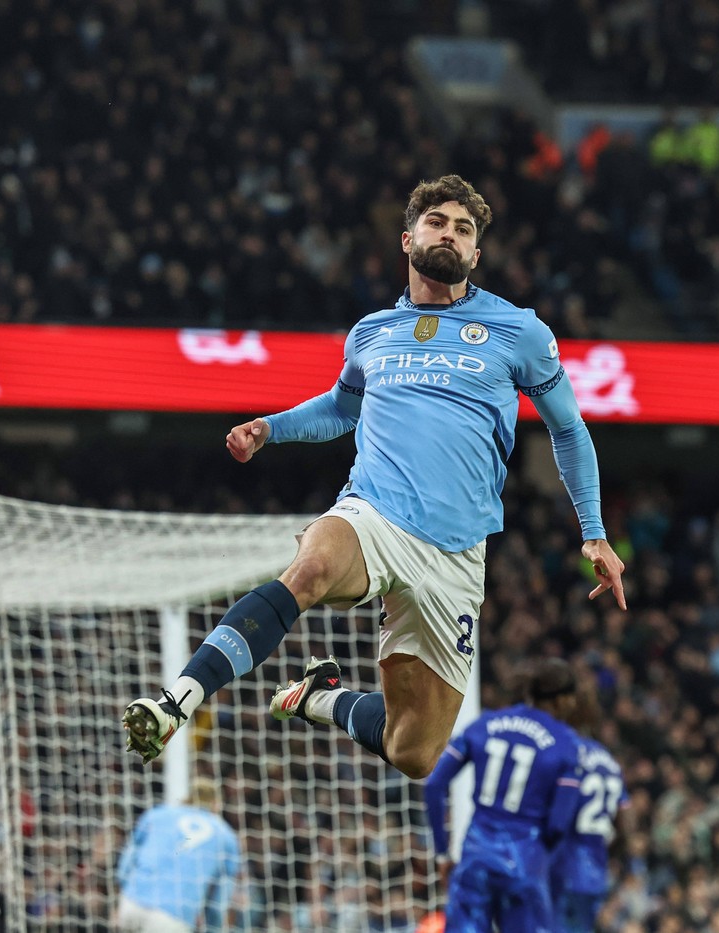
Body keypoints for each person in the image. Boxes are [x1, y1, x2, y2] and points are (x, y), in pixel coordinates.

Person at [124, 174, 627, 779]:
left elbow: (568, 430)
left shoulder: (518, 331)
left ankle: (319, 696)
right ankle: (178, 699)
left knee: (414, 751)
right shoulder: (371, 333)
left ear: (476, 254)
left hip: (457, 551)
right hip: (374, 512)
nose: (450, 235)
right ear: (408, 237)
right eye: (438, 223)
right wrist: (271, 429)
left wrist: (594, 531)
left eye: (463, 230)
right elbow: (341, 408)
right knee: (309, 569)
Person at [422, 658, 585, 932]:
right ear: (562, 700)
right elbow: (559, 824)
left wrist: (442, 853)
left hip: (476, 860)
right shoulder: (566, 743)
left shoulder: (485, 724)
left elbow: (434, 785)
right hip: (524, 866)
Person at [114, 779, 242, 933]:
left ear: (187, 798)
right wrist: (212, 927)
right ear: (216, 804)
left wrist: (122, 896)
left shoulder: (157, 814)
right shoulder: (225, 836)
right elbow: (220, 898)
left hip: (132, 904)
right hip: (173, 917)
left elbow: (126, 864)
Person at [548, 694, 628, 933]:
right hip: (595, 872)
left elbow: (556, 814)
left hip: (563, 865)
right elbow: (625, 822)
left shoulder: (566, 752)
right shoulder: (609, 761)